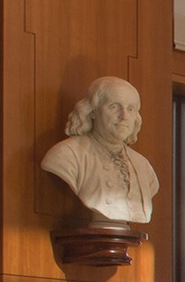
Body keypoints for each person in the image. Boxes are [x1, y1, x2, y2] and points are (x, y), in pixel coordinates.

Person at [41, 75, 160, 225]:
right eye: (114, 106)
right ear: (93, 111)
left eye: (130, 109)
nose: (124, 116)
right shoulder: (66, 155)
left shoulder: (144, 166)